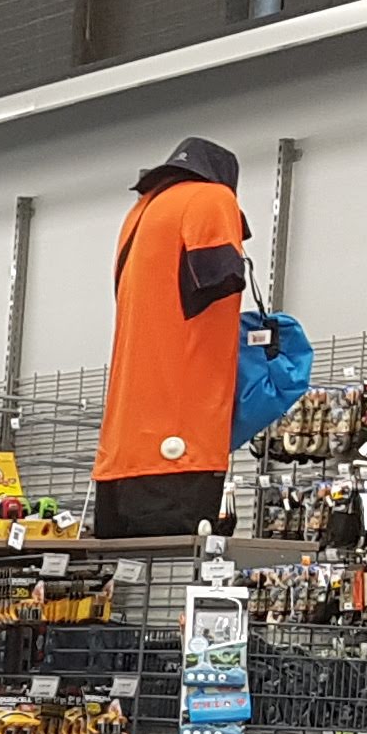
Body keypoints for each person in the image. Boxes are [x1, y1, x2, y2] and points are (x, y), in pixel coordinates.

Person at [95, 135, 251, 539]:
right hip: (180, 446)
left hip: (121, 452)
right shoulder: (211, 198)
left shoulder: (138, 214)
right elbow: (220, 276)